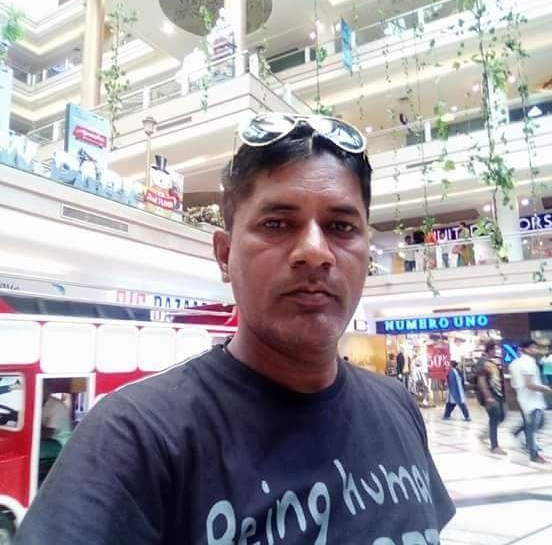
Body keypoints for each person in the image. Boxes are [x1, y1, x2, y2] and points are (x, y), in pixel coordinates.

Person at [15, 113, 455, 544]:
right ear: (224, 255)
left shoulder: (397, 406)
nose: (315, 252)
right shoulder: (134, 439)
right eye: (277, 224)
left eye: (341, 226)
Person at [509, 340, 552, 463]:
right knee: (533, 428)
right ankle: (534, 454)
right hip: (532, 400)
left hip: (524, 398)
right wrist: (547, 389)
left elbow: (513, 383)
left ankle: (518, 434)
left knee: (538, 423)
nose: (536, 350)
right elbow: (529, 384)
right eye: (533, 347)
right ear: (526, 349)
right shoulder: (529, 363)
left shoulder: (514, 363)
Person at [476, 341, 507, 455]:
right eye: (495, 349)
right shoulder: (482, 362)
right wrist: (488, 397)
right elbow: (481, 380)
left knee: (501, 416)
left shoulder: (491, 361)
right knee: (494, 418)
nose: (496, 352)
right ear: (490, 350)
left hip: (497, 394)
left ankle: (486, 433)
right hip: (490, 395)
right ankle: (494, 446)